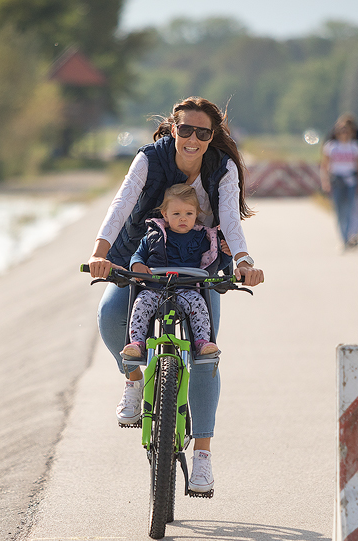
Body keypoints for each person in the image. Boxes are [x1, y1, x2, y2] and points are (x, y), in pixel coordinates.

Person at [87, 97, 264, 496]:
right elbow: (122, 202)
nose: (193, 139)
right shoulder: (150, 159)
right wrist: (100, 252)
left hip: (199, 268)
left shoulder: (224, 169)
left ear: (212, 137)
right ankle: (134, 380)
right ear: (172, 129)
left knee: (205, 355)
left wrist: (243, 260)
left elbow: (231, 223)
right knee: (111, 316)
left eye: (203, 133)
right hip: (143, 261)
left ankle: (202, 457)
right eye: (185, 130)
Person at [122, 184, 220, 359]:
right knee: (141, 303)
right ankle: (137, 343)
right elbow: (138, 254)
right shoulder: (154, 235)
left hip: (187, 289)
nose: (183, 219)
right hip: (155, 288)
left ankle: (202, 342)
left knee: (199, 304)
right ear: (165, 215)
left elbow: (214, 260)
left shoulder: (203, 239)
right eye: (176, 214)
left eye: (188, 213)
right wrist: (136, 264)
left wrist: (226, 254)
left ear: (196, 214)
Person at [320, 113, 358, 249]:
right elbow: (324, 165)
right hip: (336, 180)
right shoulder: (331, 146)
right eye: (341, 130)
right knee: (339, 210)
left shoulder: (356, 146)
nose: (343, 132)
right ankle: (344, 237)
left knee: (351, 209)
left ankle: (350, 236)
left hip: (351, 180)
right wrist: (325, 182)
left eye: (346, 130)